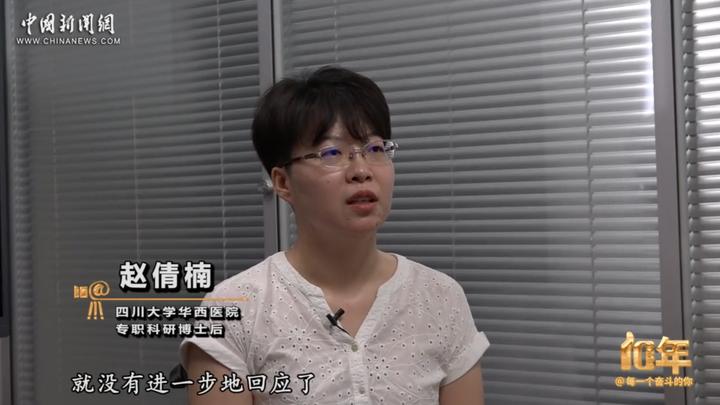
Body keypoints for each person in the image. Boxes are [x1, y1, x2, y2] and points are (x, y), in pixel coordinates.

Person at [180, 66, 489, 405]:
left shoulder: (441, 298)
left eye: (375, 149)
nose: (361, 171)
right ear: (283, 182)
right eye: (332, 153)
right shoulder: (234, 310)